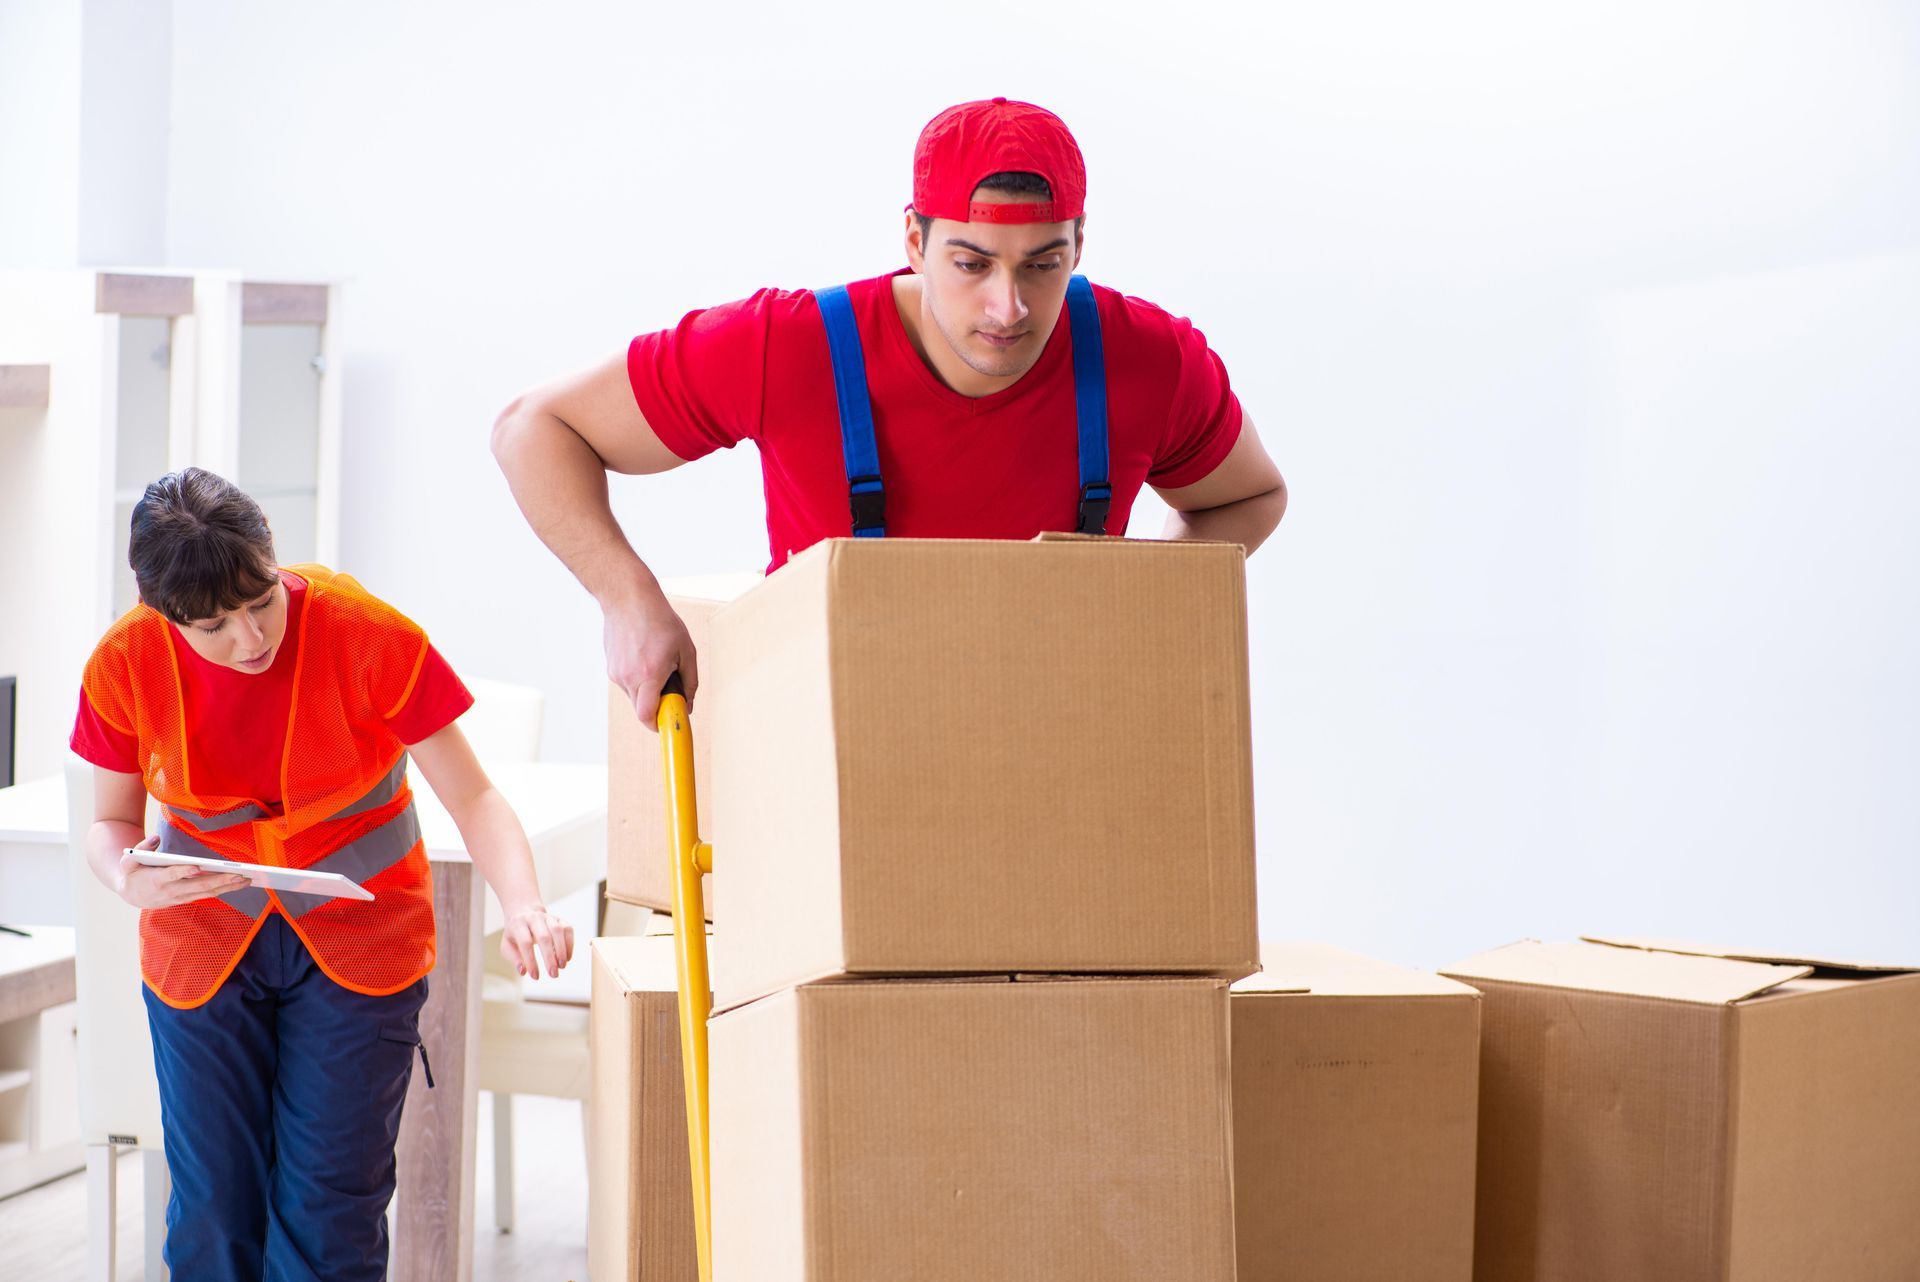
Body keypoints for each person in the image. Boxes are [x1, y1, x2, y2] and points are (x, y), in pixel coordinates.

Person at [493, 97, 1287, 726]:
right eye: (971, 263)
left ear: (1079, 242)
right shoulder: (788, 346)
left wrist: (1136, 600)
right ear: (914, 239)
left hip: (1055, 755)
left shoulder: (1149, 358)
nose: (1008, 306)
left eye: (1044, 264)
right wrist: (628, 601)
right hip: (828, 762)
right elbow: (533, 428)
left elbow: (1250, 495)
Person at [70, 467, 575, 1282]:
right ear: (164, 618)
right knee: (209, 1207)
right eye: (213, 626)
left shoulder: (362, 632)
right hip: (202, 946)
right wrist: (125, 875)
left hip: (361, 946)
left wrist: (525, 905)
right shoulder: (126, 663)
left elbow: (476, 797)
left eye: (261, 601)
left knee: (330, 1206)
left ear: (275, 558)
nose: (250, 639)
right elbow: (110, 824)